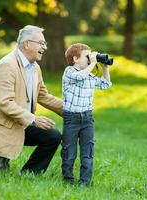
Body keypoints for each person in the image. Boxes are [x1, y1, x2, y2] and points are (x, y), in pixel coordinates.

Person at [0, 25, 63, 174]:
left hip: (22, 123)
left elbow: (43, 95)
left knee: (52, 136)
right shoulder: (7, 65)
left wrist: (70, 109)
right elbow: (5, 103)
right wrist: (33, 119)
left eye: (45, 43)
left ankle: (29, 173)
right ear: (27, 44)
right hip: (2, 127)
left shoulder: (35, 68)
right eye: (41, 43)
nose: (45, 47)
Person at [61, 43, 112, 186]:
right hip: (72, 119)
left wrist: (104, 68)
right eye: (87, 56)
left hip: (87, 118)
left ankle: (84, 182)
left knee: (87, 152)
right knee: (69, 152)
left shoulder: (89, 75)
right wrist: (93, 63)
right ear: (75, 58)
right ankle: (68, 180)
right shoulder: (69, 71)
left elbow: (106, 84)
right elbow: (79, 77)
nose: (90, 59)